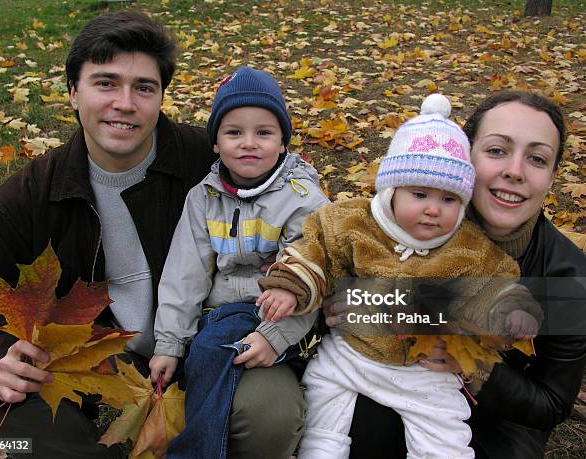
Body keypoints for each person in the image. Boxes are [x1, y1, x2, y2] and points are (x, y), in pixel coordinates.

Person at [0, 13, 306, 459]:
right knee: (15, 440)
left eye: (144, 88)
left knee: (270, 415)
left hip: (212, 340)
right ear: (74, 92)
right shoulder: (29, 197)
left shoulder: (211, 164)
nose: (125, 103)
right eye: (105, 83)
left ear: (161, 97)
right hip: (91, 364)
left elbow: (312, 221)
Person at [258, 94, 542, 458]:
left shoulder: (470, 248)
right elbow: (314, 251)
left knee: (445, 439)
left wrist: (512, 311)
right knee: (323, 426)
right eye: (420, 194)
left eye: (450, 200)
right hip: (350, 356)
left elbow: (498, 284)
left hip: (424, 372)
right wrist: (292, 287)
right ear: (392, 189)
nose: (432, 210)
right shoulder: (353, 222)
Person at [338, 91, 586, 458]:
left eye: (536, 159)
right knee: (365, 425)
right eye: (497, 150)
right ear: (464, 156)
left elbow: (549, 404)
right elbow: (343, 295)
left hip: (499, 416)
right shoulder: (407, 219)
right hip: (396, 377)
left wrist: (473, 363)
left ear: (551, 177)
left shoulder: (565, 279)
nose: (514, 171)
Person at [148, 66, 329, 459]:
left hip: (280, 315)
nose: (249, 143)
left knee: (214, 349)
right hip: (221, 313)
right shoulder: (204, 198)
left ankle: (196, 452)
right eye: (234, 133)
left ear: (283, 141)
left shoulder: (304, 200)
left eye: (264, 132)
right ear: (215, 143)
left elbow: (310, 277)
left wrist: (273, 337)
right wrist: (169, 343)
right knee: (207, 348)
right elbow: (186, 274)